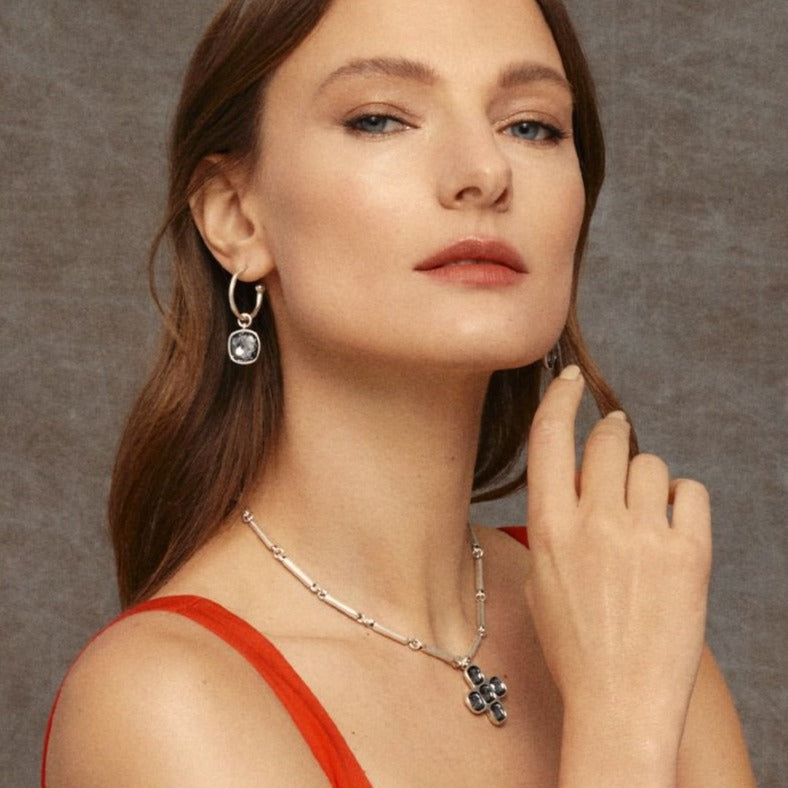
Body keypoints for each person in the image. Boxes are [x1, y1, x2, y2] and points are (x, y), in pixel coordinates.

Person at [42, 0, 755, 784]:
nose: (485, 172)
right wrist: (621, 727)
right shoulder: (158, 702)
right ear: (237, 217)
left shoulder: (622, 605)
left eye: (531, 126)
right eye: (380, 119)